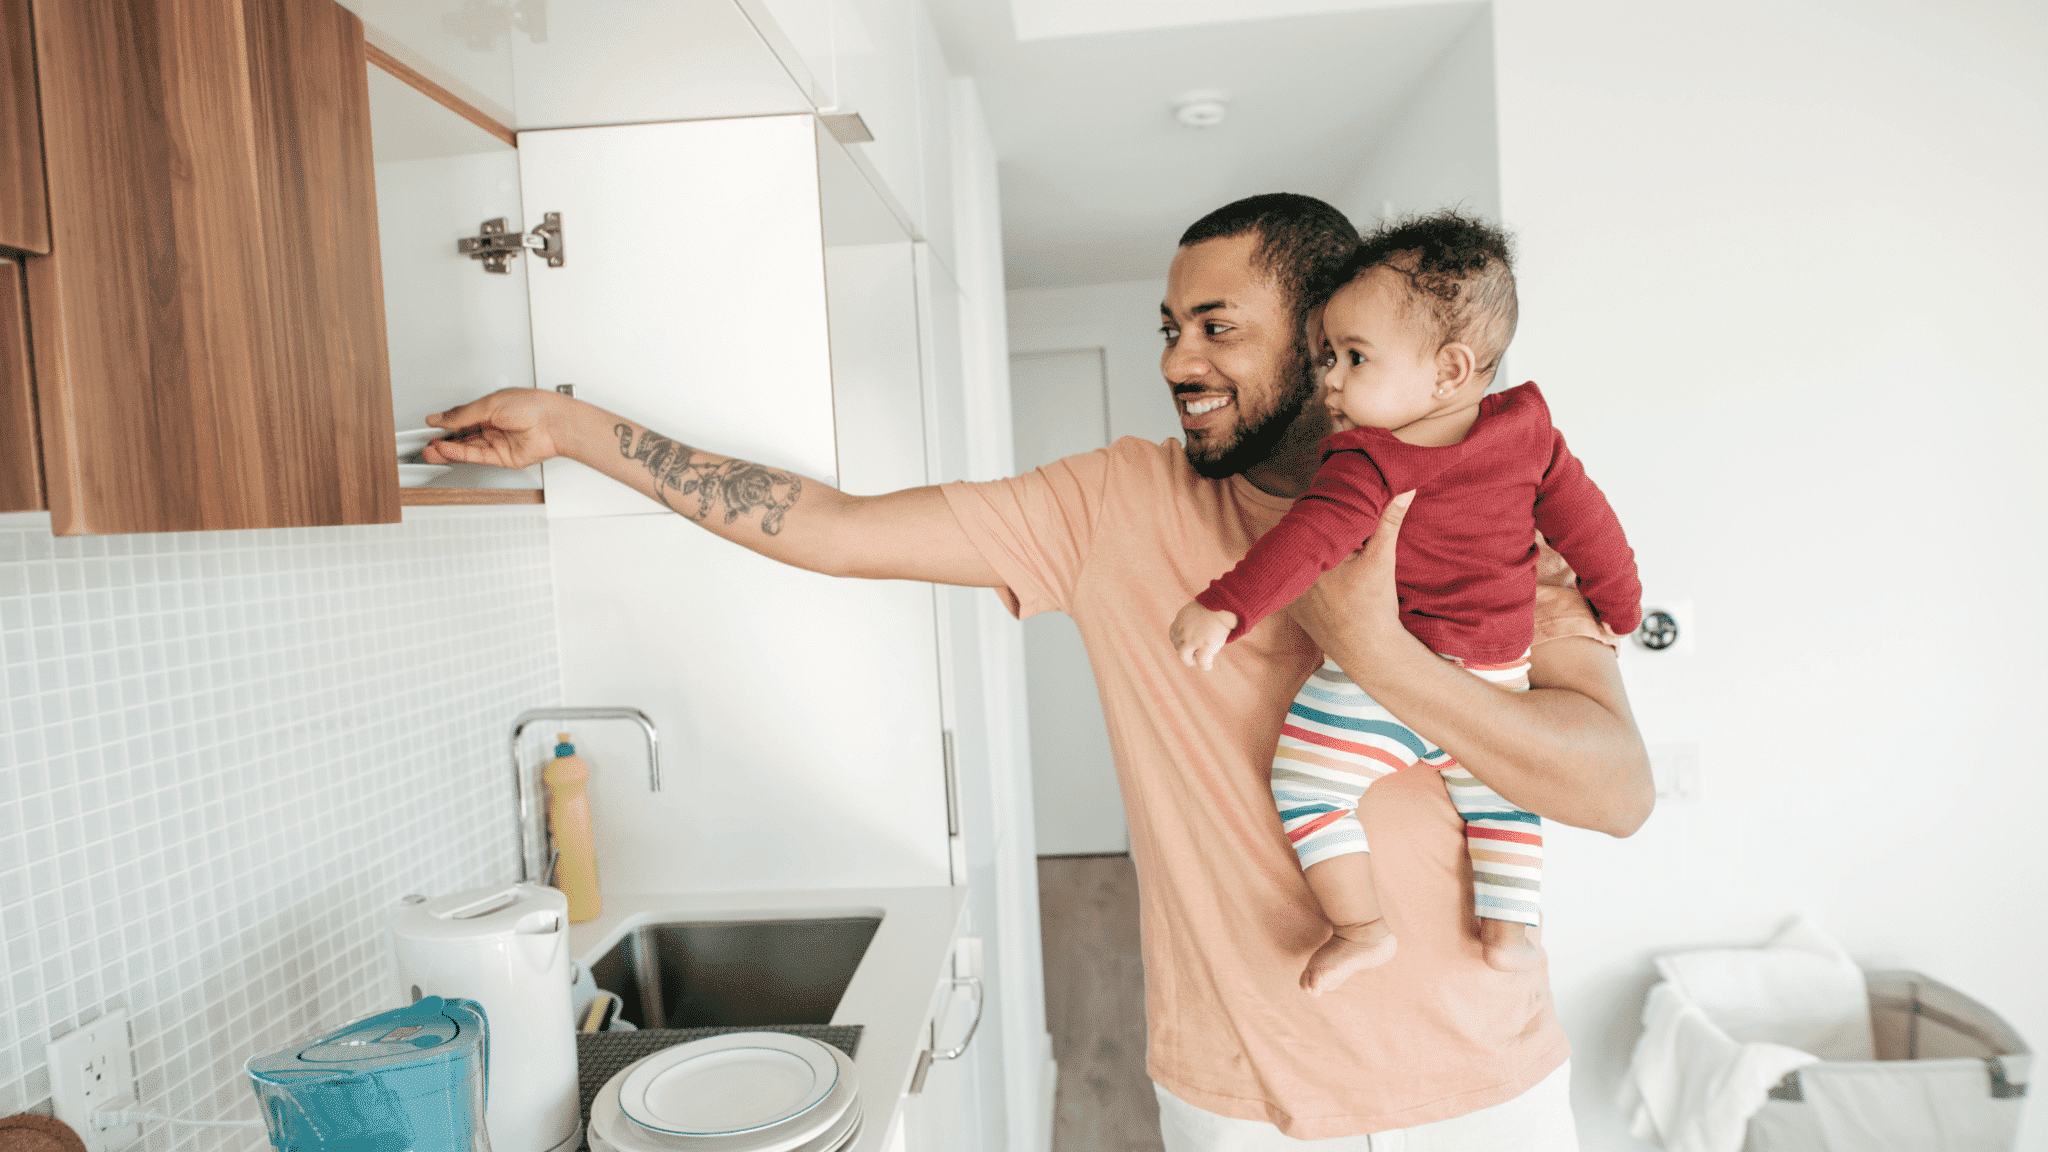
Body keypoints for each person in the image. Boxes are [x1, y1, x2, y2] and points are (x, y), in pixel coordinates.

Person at [423, 193, 1652, 1149]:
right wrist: (579, 431)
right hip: (1245, 1103)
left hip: (1487, 1088)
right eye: (1168, 329)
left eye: (1218, 328)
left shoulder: (1494, 515)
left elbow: (1614, 791)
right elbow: (835, 529)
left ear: (1333, 342)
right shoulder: (1115, 503)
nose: (1178, 361)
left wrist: (1377, 648)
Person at [1169, 211, 1642, 993]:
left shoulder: (1367, 460)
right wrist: (1620, 604)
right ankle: (1511, 932)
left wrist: (1227, 606)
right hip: (1497, 674)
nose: (1331, 379)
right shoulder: (1530, 434)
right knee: (1505, 805)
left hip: (1380, 685)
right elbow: (1589, 525)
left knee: (1307, 785)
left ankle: (1360, 926)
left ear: (1449, 371)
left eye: (1354, 357)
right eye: (1327, 356)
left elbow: (1306, 544)